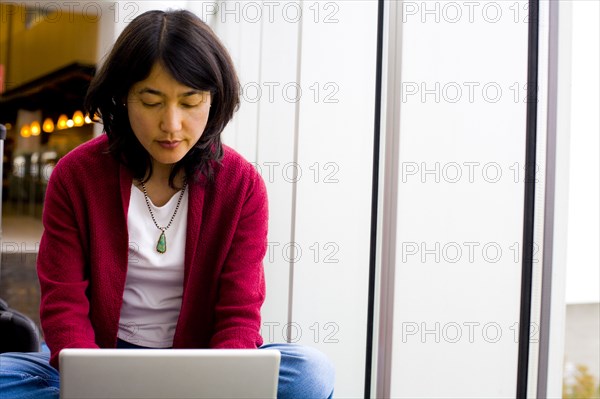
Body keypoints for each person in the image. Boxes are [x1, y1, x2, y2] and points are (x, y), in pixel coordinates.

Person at [0, 9, 334, 399]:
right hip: (98, 357)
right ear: (123, 98)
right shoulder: (76, 175)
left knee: (310, 373)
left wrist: (220, 384)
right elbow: (64, 304)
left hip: (202, 362)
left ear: (214, 100)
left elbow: (239, 315)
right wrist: (90, 385)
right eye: (152, 100)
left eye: (190, 101)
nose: (172, 124)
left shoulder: (242, 185)